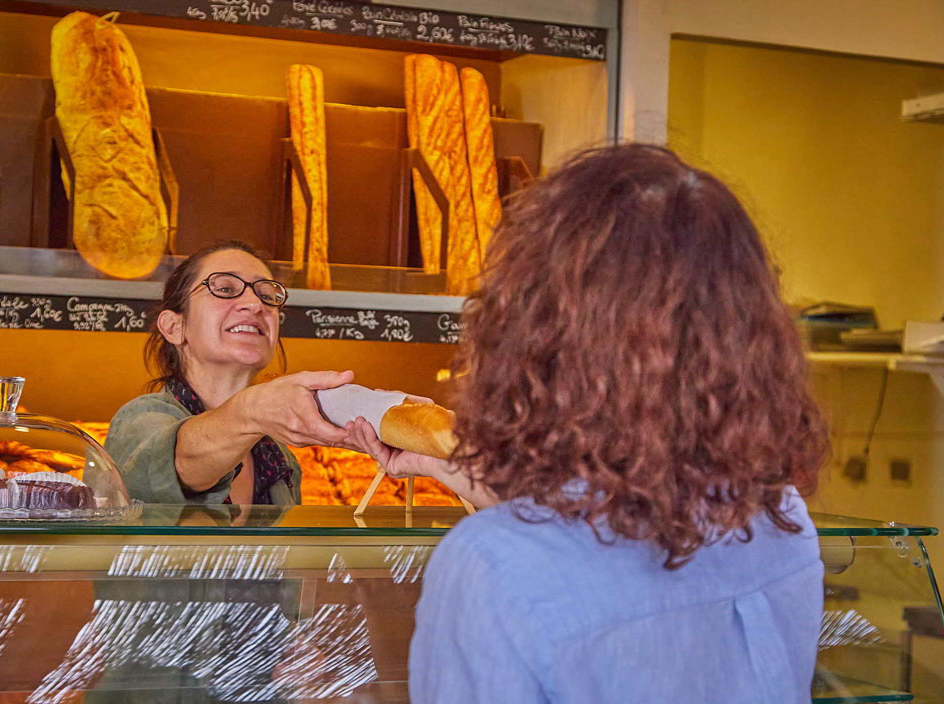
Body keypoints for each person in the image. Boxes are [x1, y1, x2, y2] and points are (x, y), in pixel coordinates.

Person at [349, 145, 829, 703]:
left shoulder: (492, 566)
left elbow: (554, 558)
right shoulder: (781, 521)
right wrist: (455, 467)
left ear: (535, 329)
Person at [106, 240, 353, 505]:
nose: (256, 305)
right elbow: (177, 462)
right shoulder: (137, 422)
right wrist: (253, 409)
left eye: (267, 295)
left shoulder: (279, 460)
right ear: (174, 327)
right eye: (224, 288)